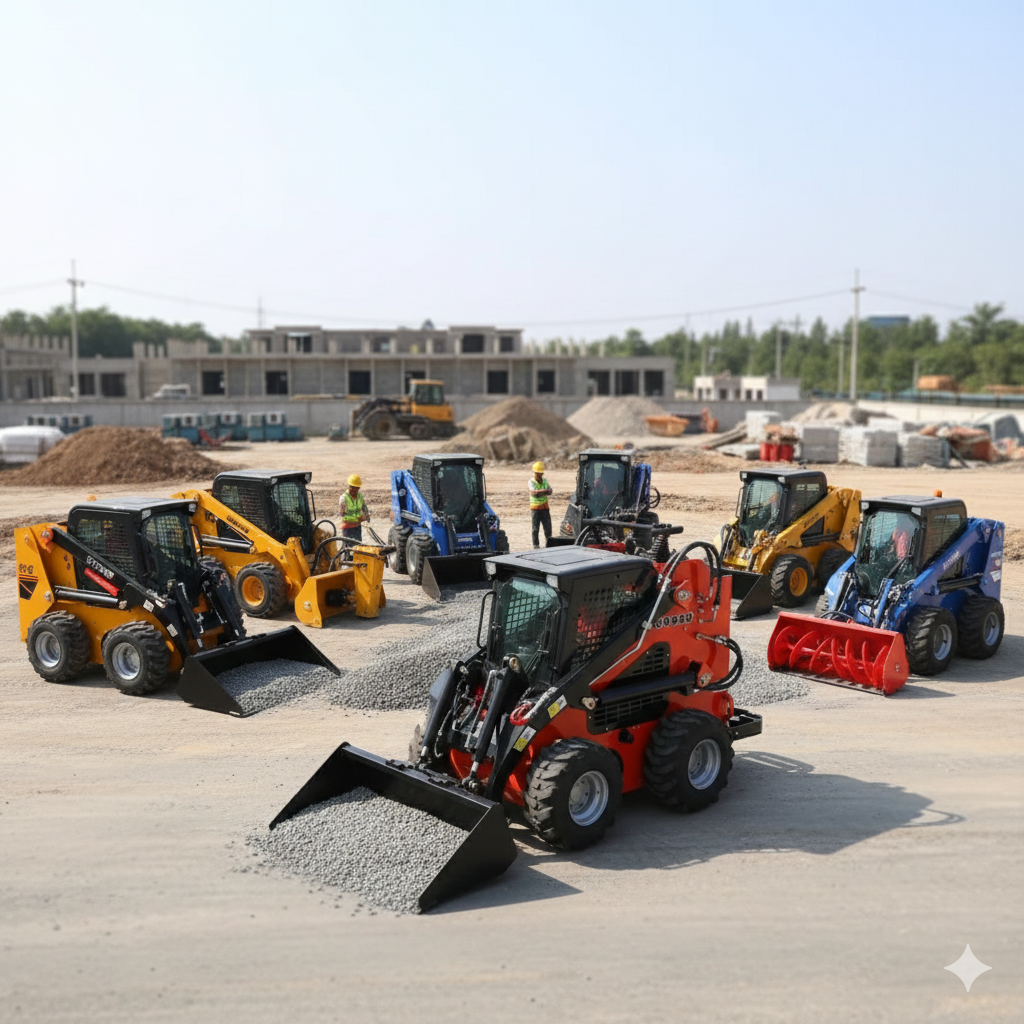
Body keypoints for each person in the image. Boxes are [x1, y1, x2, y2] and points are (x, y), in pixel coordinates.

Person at [339, 473, 370, 543]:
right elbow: (342, 513)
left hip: (357, 526)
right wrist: (357, 518)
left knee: (358, 545)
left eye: (357, 488)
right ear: (349, 486)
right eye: (353, 487)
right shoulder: (344, 498)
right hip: (348, 527)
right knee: (348, 547)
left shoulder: (360, 496)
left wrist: (367, 516)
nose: (354, 490)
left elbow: (364, 507)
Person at [529, 461, 552, 549]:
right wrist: (545, 491)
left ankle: (549, 544)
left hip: (545, 507)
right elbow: (534, 493)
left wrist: (541, 492)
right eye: (538, 474)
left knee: (548, 528)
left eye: (541, 474)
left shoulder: (544, 481)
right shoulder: (531, 482)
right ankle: (536, 545)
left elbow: (550, 491)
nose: (540, 475)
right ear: (535, 473)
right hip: (535, 508)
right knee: (535, 528)